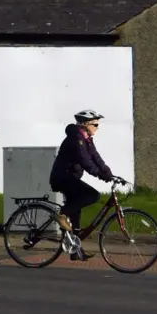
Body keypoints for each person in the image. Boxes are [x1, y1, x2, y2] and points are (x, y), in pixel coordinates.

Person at [49, 109, 115, 261]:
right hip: (63, 178)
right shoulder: (76, 139)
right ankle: (62, 214)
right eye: (96, 124)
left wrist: (108, 173)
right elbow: (85, 161)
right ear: (86, 124)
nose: (97, 128)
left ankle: (75, 251)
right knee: (93, 195)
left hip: (70, 178)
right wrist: (99, 175)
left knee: (76, 214)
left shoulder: (86, 139)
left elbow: (95, 157)